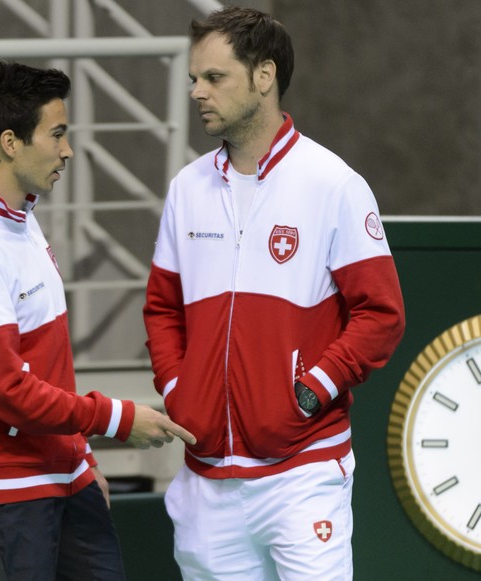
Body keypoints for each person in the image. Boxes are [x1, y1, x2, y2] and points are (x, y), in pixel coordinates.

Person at [143, 6, 405, 580]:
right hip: (206, 480)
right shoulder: (186, 190)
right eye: (194, 78)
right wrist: (181, 387)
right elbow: (162, 308)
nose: (197, 91)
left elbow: (381, 313)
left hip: (302, 474)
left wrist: (313, 389)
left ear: (264, 76)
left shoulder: (332, 183)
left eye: (214, 77)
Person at [0, 60, 196, 581]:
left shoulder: (20, 221)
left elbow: (41, 369)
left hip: (62, 477)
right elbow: (3, 389)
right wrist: (115, 421)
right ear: (10, 142)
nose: (68, 150)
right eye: (57, 134)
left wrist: (79, 457)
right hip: (3, 494)